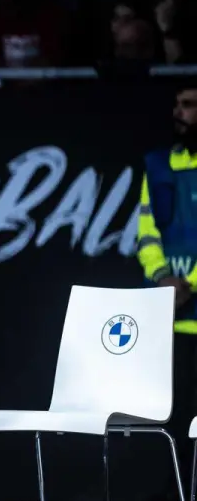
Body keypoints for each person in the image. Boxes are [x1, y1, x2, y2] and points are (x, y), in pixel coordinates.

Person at [138, 83, 197, 483]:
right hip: (167, 322)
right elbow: (146, 233)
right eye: (177, 104)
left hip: (186, 304)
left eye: (189, 104)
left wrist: (189, 282)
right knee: (169, 425)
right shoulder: (157, 165)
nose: (179, 111)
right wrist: (163, 277)